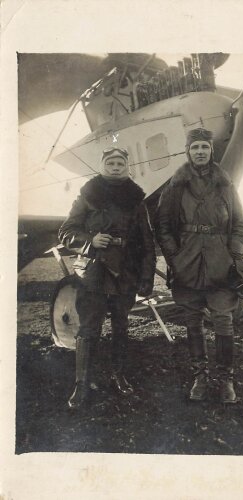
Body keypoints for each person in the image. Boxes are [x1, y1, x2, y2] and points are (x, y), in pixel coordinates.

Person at [155, 128, 243, 403]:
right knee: (193, 319)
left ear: (211, 151)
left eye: (204, 148)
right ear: (188, 151)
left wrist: (235, 257)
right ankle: (200, 376)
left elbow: (240, 225)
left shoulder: (225, 184)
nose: (200, 152)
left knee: (223, 318)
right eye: (195, 147)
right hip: (187, 262)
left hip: (221, 263)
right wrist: (176, 257)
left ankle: (226, 379)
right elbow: (162, 225)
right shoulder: (176, 184)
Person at [58, 147, 156, 410]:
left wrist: (146, 279)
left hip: (125, 272)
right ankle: (82, 383)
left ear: (127, 167)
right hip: (94, 273)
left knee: (121, 326)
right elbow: (66, 232)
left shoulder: (137, 200)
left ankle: (118, 375)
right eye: (110, 162)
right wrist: (90, 242)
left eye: (120, 163)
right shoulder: (87, 195)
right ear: (102, 166)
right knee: (89, 327)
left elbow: (147, 243)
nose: (115, 166)